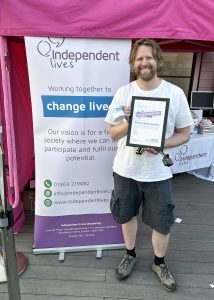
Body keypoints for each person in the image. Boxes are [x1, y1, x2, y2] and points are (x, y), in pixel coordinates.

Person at [105, 39, 193, 292]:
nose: (144, 62)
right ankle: (130, 255)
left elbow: (185, 133)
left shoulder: (174, 93)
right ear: (133, 64)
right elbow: (113, 133)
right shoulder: (124, 93)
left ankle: (159, 262)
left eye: (149, 57)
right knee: (127, 215)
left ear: (158, 61)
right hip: (125, 169)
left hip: (158, 173)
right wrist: (130, 122)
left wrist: (163, 144)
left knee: (162, 221)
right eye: (139, 58)